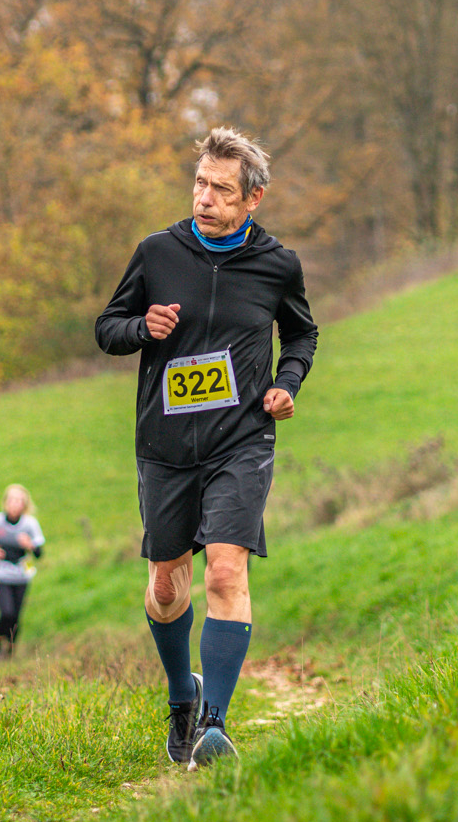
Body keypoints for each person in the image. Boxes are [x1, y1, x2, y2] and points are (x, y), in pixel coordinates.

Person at [95, 127, 318, 769]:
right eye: (200, 184)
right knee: (167, 588)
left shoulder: (278, 265)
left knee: (225, 570)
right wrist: (142, 328)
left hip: (241, 439)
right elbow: (107, 329)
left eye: (221, 189)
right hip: (165, 444)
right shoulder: (157, 252)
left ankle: (214, 726)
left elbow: (301, 335)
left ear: (253, 199)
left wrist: (285, 384)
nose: (204, 199)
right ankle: (182, 695)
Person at [0, 486, 46, 659]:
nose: (15, 504)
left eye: (19, 501)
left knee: (16, 615)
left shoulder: (30, 524)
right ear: (5, 502)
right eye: (12, 500)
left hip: (21, 575)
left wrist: (29, 545)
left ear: (25, 504)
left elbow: (39, 553)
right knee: (6, 612)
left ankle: (10, 649)